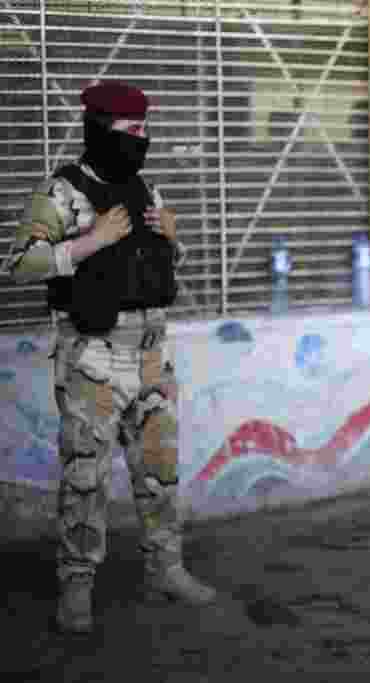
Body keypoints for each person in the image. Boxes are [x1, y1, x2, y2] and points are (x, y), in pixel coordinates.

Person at [1, 81, 217, 634]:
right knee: (85, 479)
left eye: (145, 130)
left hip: (151, 356)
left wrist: (175, 238)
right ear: (100, 128)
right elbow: (19, 264)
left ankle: (165, 568)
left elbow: (159, 264)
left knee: (159, 475)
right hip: (91, 360)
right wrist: (89, 241)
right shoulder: (62, 192)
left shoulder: (146, 189)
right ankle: (76, 588)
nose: (142, 140)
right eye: (132, 131)